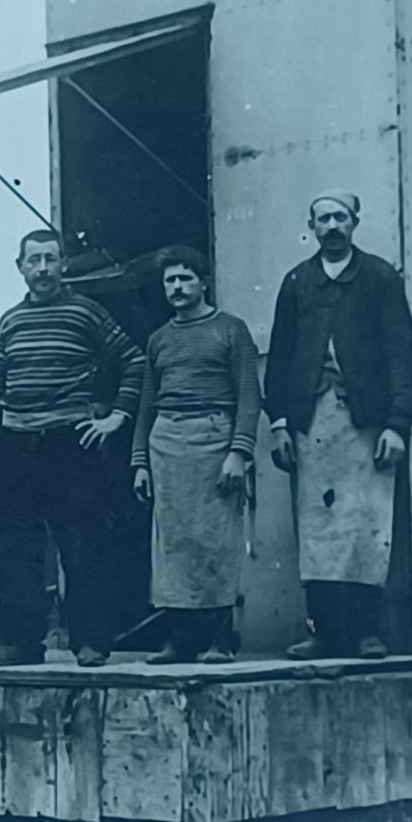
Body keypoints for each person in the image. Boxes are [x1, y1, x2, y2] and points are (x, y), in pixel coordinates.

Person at [0, 228, 146, 668]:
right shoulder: (10, 321)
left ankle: (90, 642)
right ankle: (22, 644)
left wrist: (116, 418)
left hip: (69, 445)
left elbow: (135, 361)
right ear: (21, 268)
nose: (43, 269)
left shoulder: (85, 313)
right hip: (14, 447)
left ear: (62, 264)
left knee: (83, 547)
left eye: (51, 259)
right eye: (34, 261)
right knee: (16, 551)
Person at [262, 191, 412, 660]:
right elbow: (280, 355)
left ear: (355, 221)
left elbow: (399, 351)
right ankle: (324, 632)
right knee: (318, 529)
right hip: (312, 421)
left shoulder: (378, 277)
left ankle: (367, 632)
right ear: (311, 225)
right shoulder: (297, 282)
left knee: (368, 522)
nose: (332, 225)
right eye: (323, 218)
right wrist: (281, 422)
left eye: (340, 217)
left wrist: (397, 423)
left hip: (366, 420)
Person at [131, 246, 260, 664]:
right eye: (170, 280)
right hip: (167, 441)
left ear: (203, 281)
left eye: (185, 278)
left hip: (214, 438)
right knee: (171, 543)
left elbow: (248, 395)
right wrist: (139, 463)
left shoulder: (230, 330)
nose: (177, 287)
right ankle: (178, 639)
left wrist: (238, 452)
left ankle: (219, 640)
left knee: (216, 540)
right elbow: (146, 404)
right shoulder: (159, 339)